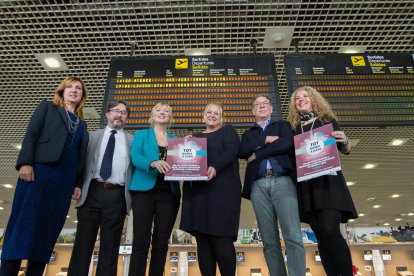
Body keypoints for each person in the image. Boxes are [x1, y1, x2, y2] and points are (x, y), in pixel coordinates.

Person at [0, 77, 88, 276]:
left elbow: (80, 157)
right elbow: (31, 134)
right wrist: (25, 163)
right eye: (70, 87)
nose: (74, 90)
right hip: (39, 174)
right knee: (24, 225)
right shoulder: (48, 108)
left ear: (82, 95)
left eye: (78, 88)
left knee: (48, 230)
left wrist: (77, 183)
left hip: (63, 182)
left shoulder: (82, 125)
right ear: (62, 91)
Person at [287, 86, 358, 276]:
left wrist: (344, 140)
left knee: (330, 229)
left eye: (305, 97)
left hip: (329, 183)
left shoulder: (327, 120)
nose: (300, 100)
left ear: (314, 99)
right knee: (321, 236)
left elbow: (347, 149)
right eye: (297, 98)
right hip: (308, 187)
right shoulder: (294, 129)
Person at [239, 94, 306, 276]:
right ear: (253, 111)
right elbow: (243, 151)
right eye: (257, 104)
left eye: (265, 103)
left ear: (270, 109)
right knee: (269, 241)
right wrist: (265, 140)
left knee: (292, 235)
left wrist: (258, 153)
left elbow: (287, 144)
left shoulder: (283, 126)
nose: (261, 106)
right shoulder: (248, 134)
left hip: (283, 180)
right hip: (258, 186)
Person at [68, 100, 133, 276]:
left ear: (127, 118)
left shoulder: (132, 141)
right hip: (91, 193)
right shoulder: (91, 136)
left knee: (110, 247)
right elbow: (80, 163)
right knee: (83, 243)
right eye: (116, 111)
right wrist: (77, 184)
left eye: (124, 112)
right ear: (107, 114)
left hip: (117, 196)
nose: (119, 115)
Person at [180, 102, 242, 276]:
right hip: (198, 194)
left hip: (223, 193)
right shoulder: (193, 138)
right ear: (203, 115)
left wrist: (215, 167)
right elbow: (185, 161)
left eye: (217, 113)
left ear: (221, 118)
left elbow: (232, 150)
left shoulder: (227, 131)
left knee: (222, 241)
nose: (213, 115)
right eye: (209, 112)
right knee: (203, 242)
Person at [128, 102, 181, 276]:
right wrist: (152, 163)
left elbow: (184, 164)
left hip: (169, 194)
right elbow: (135, 156)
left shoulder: (176, 140)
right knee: (141, 240)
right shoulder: (142, 134)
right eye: (158, 110)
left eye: (166, 111)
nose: (162, 113)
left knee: (161, 242)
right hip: (144, 192)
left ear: (170, 117)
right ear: (152, 115)